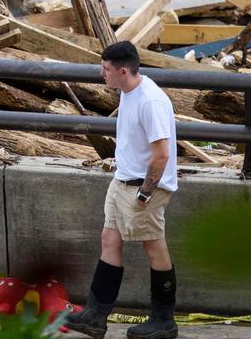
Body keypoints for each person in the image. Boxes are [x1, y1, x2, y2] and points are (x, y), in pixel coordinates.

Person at [65, 41, 179, 339]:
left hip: (143, 188)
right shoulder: (128, 91)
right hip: (122, 181)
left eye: (106, 70)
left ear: (123, 71)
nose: (101, 74)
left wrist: (145, 193)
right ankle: (95, 315)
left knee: (154, 246)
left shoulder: (149, 101)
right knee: (109, 238)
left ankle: (164, 320)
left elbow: (162, 154)